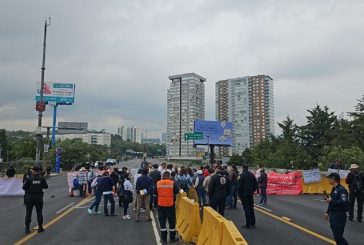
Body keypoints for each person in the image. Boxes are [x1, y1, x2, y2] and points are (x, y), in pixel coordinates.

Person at [324, 173, 349, 245]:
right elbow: (331, 201)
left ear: (333, 179)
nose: (328, 180)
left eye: (329, 178)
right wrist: (327, 212)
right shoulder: (334, 188)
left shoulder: (342, 190)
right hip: (333, 215)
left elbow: (343, 202)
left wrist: (331, 201)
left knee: (338, 236)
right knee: (336, 236)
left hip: (339, 215)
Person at [22, 166, 48, 234]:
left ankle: (27, 229)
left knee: (28, 213)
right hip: (39, 197)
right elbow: (46, 186)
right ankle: (40, 227)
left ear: (33, 170)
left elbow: (24, 187)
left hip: (30, 197)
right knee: (39, 212)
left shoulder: (29, 178)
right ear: (39, 171)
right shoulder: (42, 178)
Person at [156, 171, 179, 244]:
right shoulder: (172, 183)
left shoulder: (158, 183)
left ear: (163, 176)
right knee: (171, 222)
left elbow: (155, 192)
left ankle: (164, 239)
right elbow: (176, 191)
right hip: (170, 204)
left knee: (162, 222)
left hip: (161, 204)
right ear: (169, 176)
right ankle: (172, 238)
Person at [238, 165, 258, 229]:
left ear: (243, 168)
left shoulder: (242, 175)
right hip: (250, 193)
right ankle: (253, 223)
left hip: (244, 194)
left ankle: (248, 224)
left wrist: (239, 194)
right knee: (251, 208)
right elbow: (256, 184)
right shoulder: (252, 175)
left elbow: (239, 185)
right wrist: (253, 190)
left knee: (246, 208)